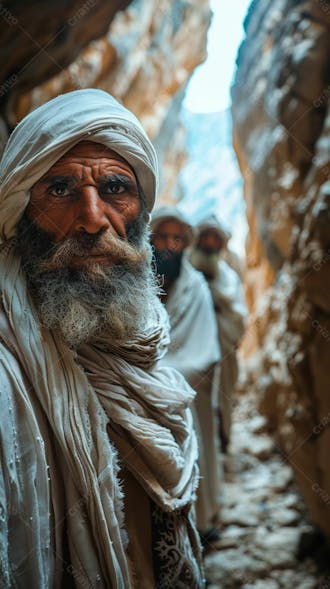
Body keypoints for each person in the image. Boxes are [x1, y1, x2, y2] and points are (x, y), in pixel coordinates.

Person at [0, 89, 205, 589]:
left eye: (115, 188)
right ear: (19, 212)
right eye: (60, 190)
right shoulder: (8, 377)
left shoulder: (143, 349)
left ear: (140, 212)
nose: (93, 219)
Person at [150, 206, 222, 544]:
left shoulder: (198, 291)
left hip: (190, 395)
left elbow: (205, 352)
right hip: (145, 400)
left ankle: (202, 521)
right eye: (161, 236)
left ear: (185, 243)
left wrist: (157, 378)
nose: (168, 244)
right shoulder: (135, 286)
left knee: (198, 455)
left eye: (176, 238)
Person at [190, 216, 247, 452]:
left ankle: (221, 442)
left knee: (222, 401)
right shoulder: (186, 276)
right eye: (206, 236)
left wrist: (216, 308)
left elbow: (238, 318)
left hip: (223, 353)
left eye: (216, 238)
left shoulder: (229, 280)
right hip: (191, 354)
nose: (210, 242)